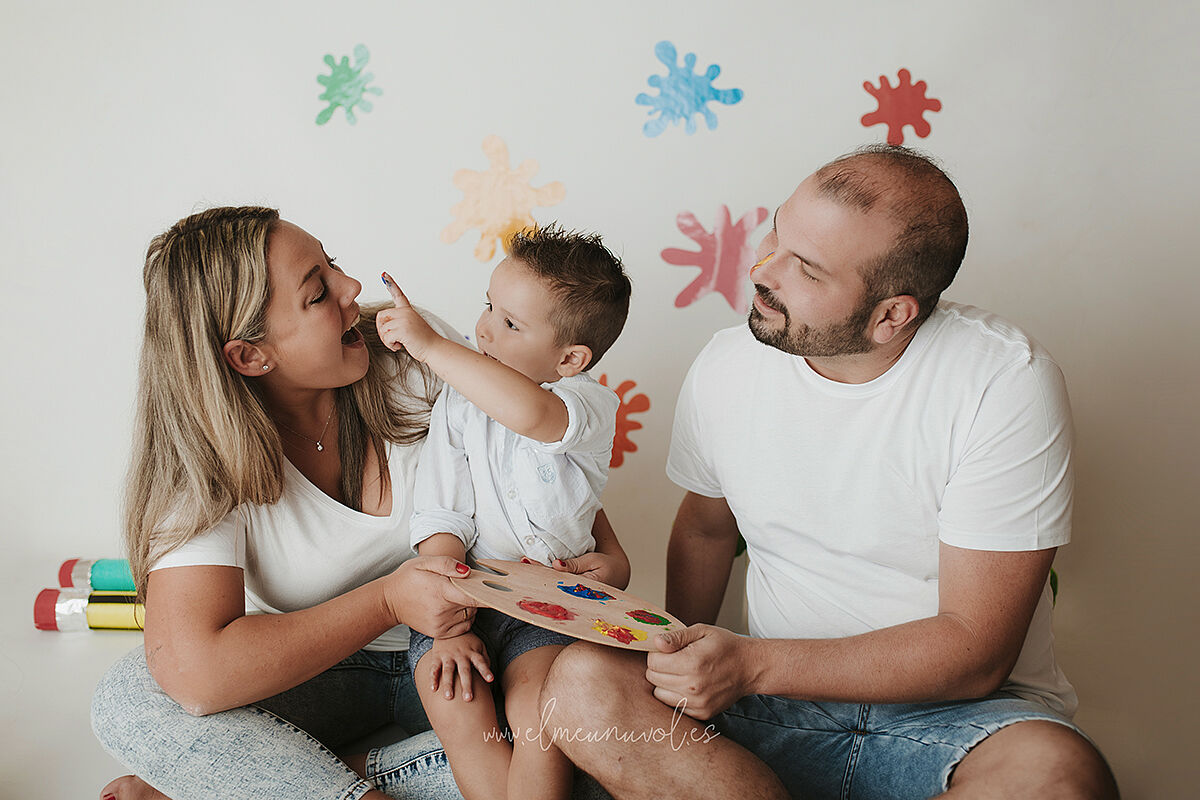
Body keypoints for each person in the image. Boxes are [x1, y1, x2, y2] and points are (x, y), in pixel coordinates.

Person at [540, 146, 1120, 799]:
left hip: (960, 721)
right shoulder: (726, 367)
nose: (763, 270)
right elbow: (704, 530)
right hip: (770, 710)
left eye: (807, 269)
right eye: (776, 235)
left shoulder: (1003, 381)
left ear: (890, 316)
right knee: (582, 681)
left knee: (1056, 776)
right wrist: (677, 668)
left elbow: (975, 652)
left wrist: (752, 664)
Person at [89, 207, 616, 800]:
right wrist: (391, 599)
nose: (352, 288)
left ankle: (299, 779)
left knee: (591, 733)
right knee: (133, 697)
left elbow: (534, 456)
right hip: (320, 676)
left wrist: (609, 556)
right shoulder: (199, 465)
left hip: (478, 645)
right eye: (318, 293)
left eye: (332, 264)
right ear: (250, 356)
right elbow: (198, 671)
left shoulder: (413, 351)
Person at [374, 224, 633, 800]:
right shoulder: (458, 404)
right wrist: (447, 622)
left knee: (536, 713)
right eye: (488, 306)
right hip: (465, 596)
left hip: (547, 612)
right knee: (455, 703)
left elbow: (531, 415)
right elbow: (442, 512)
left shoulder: (585, 406)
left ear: (569, 358)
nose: (485, 327)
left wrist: (435, 348)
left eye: (511, 323)